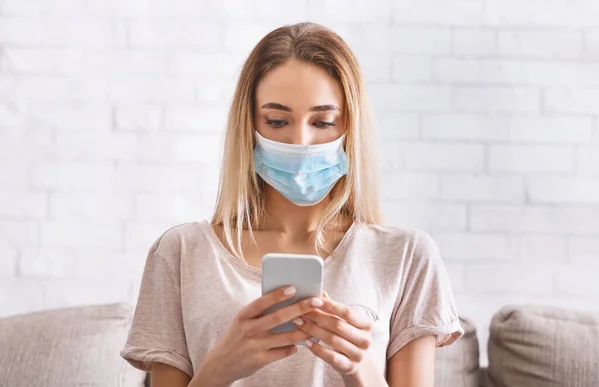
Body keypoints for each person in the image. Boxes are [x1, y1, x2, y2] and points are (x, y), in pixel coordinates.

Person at [120, 22, 464, 387]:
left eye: (324, 121)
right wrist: (220, 368)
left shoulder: (407, 256)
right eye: (278, 121)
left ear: (351, 127)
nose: (300, 141)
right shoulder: (180, 253)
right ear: (248, 125)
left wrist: (360, 369)